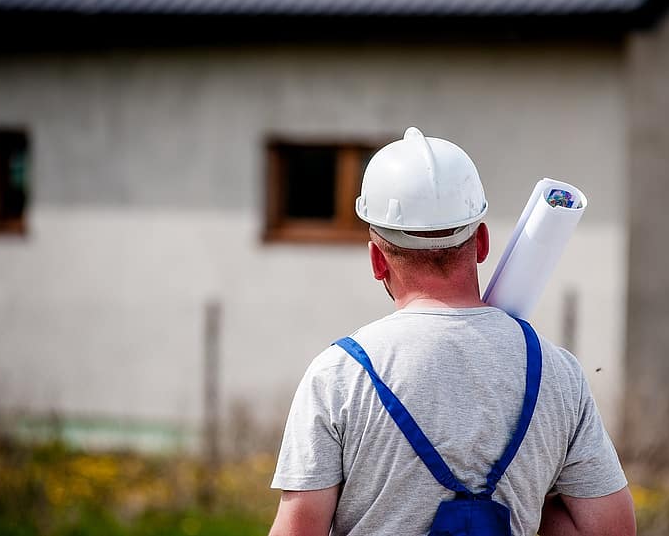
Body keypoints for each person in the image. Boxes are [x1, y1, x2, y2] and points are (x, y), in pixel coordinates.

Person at [269, 127, 635, 536]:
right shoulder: (557, 373)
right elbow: (612, 529)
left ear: (377, 260)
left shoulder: (338, 375)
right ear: (480, 242)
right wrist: (538, 501)